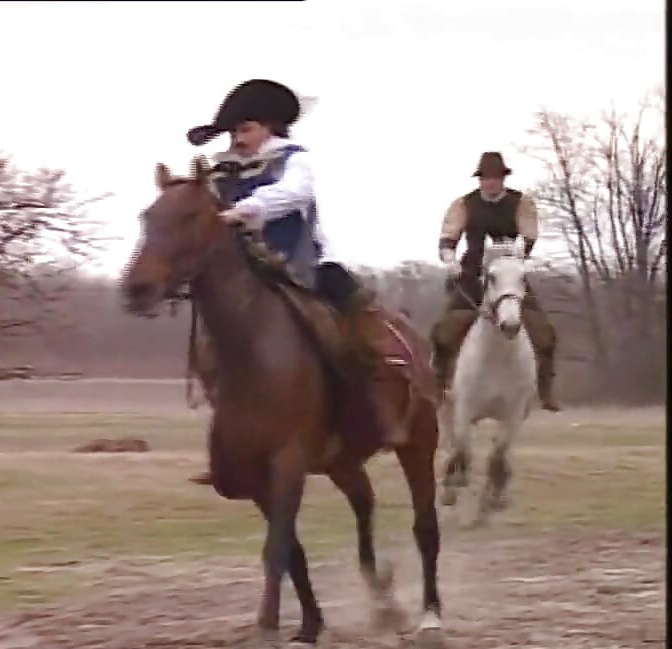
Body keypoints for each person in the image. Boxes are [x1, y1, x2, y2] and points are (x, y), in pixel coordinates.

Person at [186, 79, 408, 447]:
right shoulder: (219, 170)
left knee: (359, 320)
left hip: (308, 262)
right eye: (234, 132)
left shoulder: (294, 160)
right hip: (246, 269)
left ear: (270, 128)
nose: (238, 139)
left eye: (246, 129)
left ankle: (379, 409)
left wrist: (244, 210)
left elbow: (294, 193)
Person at [431, 151, 560, 411]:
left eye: (495, 178)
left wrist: (518, 250)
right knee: (444, 331)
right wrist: (450, 260)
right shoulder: (464, 204)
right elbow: (448, 236)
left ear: (503, 179)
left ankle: (544, 390)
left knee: (544, 332)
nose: (490, 183)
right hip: (471, 276)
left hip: (509, 275)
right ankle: (438, 385)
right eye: (485, 178)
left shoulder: (521, 203)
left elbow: (529, 233)